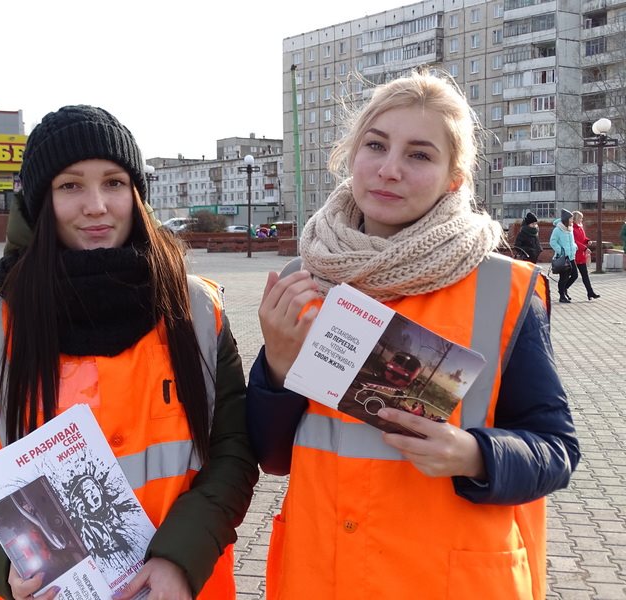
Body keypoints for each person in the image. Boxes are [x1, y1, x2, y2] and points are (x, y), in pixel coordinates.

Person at [246, 72, 579, 600]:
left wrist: (476, 455)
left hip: (448, 579)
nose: (389, 169)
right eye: (375, 145)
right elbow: (271, 455)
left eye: (419, 155)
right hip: (322, 575)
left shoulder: (503, 287)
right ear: (351, 155)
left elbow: (557, 449)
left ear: (454, 178)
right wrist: (278, 368)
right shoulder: (302, 279)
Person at [0, 105, 258, 600]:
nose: (96, 205)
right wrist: (5, 568)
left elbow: (233, 453)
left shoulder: (195, 310)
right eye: (70, 186)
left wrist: (179, 561)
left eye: (113, 182)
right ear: (41, 201)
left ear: (136, 193)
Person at [550, 209, 578, 303]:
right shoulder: (557, 230)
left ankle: (564, 289)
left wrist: (575, 247)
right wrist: (561, 251)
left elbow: (572, 242)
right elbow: (552, 242)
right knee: (563, 277)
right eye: (571, 219)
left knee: (575, 275)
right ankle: (562, 296)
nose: (572, 221)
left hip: (571, 256)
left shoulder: (570, 229)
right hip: (563, 257)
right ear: (566, 219)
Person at [571, 211, 600, 300]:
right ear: (575, 219)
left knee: (585, 275)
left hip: (581, 255)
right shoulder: (572, 229)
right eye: (580, 218)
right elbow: (574, 241)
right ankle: (563, 289)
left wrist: (587, 241)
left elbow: (582, 238)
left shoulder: (580, 228)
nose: (581, 220)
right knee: (573, 275)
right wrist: (584, 248)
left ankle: (590, 292)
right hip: (574, 254)